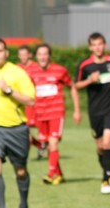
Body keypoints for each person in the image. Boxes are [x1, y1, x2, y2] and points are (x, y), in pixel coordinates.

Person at [0, 37, 36, 208]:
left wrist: (9, 90)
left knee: (21, 172)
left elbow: (30, 101)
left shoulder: (18, 73)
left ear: (6, 53)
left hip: (17, 130)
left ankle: (23, 206)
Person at [74, 32, 110, 194]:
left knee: (107, 141)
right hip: (95, 110)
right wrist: (90, 80)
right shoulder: (85, 65)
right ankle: (106, 170)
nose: (97, 48)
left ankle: (107, 177)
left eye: (100, 44)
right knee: (99, 146)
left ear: (105, 45)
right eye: (94, 45)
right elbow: (76, 85)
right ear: (90, 47)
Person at [29, 43, 81, 185]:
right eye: (40, 54)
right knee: (47, 145)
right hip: (40, 113)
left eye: (45, 54)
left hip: (56, 113)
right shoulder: (32, 72)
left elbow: (72, 87)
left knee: (53, 143)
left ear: (49, 56)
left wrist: (77, 110)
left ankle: (50, 175)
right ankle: (60, 174)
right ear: (36, 56)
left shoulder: (60, 70)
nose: (42, 57)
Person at [17, 45, 46, 158]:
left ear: (29, 55)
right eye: (20, 55)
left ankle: (42, 144)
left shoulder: (36, 67)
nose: (22, 57)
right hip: (22, 104)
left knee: (40, 129)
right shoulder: (17, 68)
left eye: (25, 55)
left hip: (35, 103)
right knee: (24, 131)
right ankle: (39, 145)